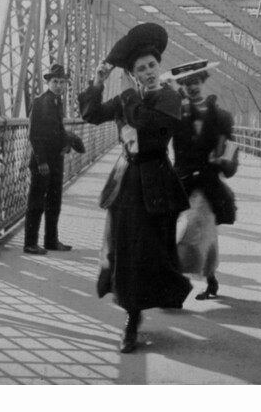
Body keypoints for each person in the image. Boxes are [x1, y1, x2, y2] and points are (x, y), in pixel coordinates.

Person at [78, 23, 192, 353]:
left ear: (159, 67)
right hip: (126, 179)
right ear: (134, 73)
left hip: (156, 180)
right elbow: (92, 114)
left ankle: (155, 298)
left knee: (150, 250)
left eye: (152, 66)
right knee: (123, 249)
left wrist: (127, 92)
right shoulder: (129, 96)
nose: (148, 72)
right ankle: (132, 318)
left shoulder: (169, 97)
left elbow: (144, 122)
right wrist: (97, 83)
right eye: (141, 69)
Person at [165, 60, 238, 301]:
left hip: (207, 183)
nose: (192, 87)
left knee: (194, 230)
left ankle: (180, 286)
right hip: (181, 181)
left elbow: (230, 146)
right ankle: (210, 280)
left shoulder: (220, 116)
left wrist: (225, 162)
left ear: (202, 82)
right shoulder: (175, 114)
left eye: (195, 82)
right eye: (186, 84)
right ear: (182, 87)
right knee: (198, 232)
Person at [24, 62, 85, 255]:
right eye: (55, 81)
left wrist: (65, 143)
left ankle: (51, 241)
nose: (59, 85)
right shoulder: (40, 101)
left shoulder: (58, 102)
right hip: (43, 162)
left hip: (56, 159)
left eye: (62, 82)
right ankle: (30, 243)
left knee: (54, 201)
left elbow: (57, 129)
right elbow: (34, 134)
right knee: (36, 203)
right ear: (49, 82)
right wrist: (41, 161)